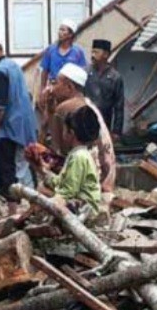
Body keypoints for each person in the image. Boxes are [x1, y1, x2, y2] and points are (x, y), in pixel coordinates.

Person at [0, 34, 38, 216]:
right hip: (24, 124)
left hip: (10, 128)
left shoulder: (0, 72)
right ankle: (32, 207)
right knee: (23, 165)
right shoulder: (12, 66)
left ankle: (15, 212)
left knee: (9, 170)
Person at [48, 63, 118, 195]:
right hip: (104, 175)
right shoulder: (88, 104)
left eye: (55, 83)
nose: (52, 88)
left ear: (69, 87)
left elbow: (57, 150)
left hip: (84, 180)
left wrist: (49, 114)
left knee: (43, 186)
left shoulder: (64, 109)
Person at [36, 105, 102, 214]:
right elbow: (61, 182)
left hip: (85, 206)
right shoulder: (77, 154)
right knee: (42, 189)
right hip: (78, 200)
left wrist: (52, 200)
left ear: (71, 133)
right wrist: (45, 173)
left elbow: (68, 191)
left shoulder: (79, 157)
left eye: (64, 129)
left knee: (44, 195)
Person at [85, 39, 125, 135]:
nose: (92, 55)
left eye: (96, 52)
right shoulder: (85, 72)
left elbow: (119, 107)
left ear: (106, 55)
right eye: (92, 52)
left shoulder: (115, 77)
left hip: (104, 122)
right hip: (85, 121)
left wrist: (116, 131)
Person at [39, 19, 87, 91]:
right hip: (53, 88)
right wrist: (42, 89)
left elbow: (82, 71)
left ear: (70, 34)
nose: (59, 32)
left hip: (70, 90)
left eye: (63, 30)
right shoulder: (51, 50)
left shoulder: (78, 52)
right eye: (59, 29)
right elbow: (44, 71)